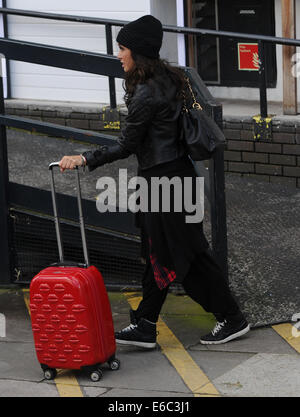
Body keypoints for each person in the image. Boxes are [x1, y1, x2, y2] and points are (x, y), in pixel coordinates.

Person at [58, 15, 250, 347]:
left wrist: (85, 158)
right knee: (157, 252)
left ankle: (231, 318)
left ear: (138, 51)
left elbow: (127, 144)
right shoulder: (170, 78)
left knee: (187, 256)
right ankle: (146, 323)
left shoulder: (146, 91)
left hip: (165, 183)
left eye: (122, 48)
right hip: (170, 177)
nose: (118, 55)